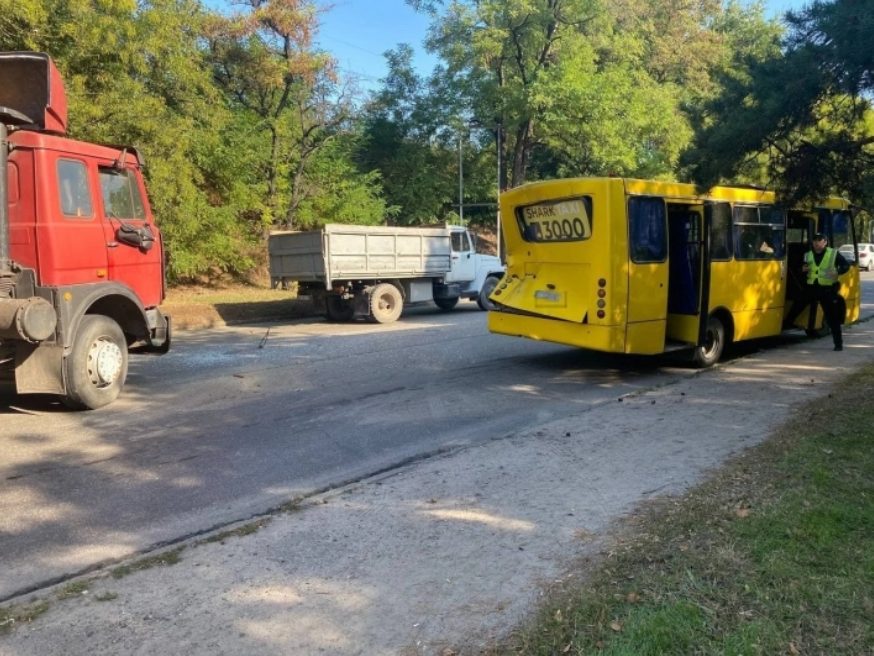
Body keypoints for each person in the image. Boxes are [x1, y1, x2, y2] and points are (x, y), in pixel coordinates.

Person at [783, 232, 850, 350]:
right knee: (796, 307)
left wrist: (838, 272)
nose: (817, 243)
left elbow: (846, 265)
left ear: (825, 242)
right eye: (815, 241)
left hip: (827, 289)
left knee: (832, 318)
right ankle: (785, 327)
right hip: (811, 288)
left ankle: (838, 345)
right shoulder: (808, 255)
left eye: (820, 240)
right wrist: (801, 269)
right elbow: (799, 268)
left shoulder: (833, 254)